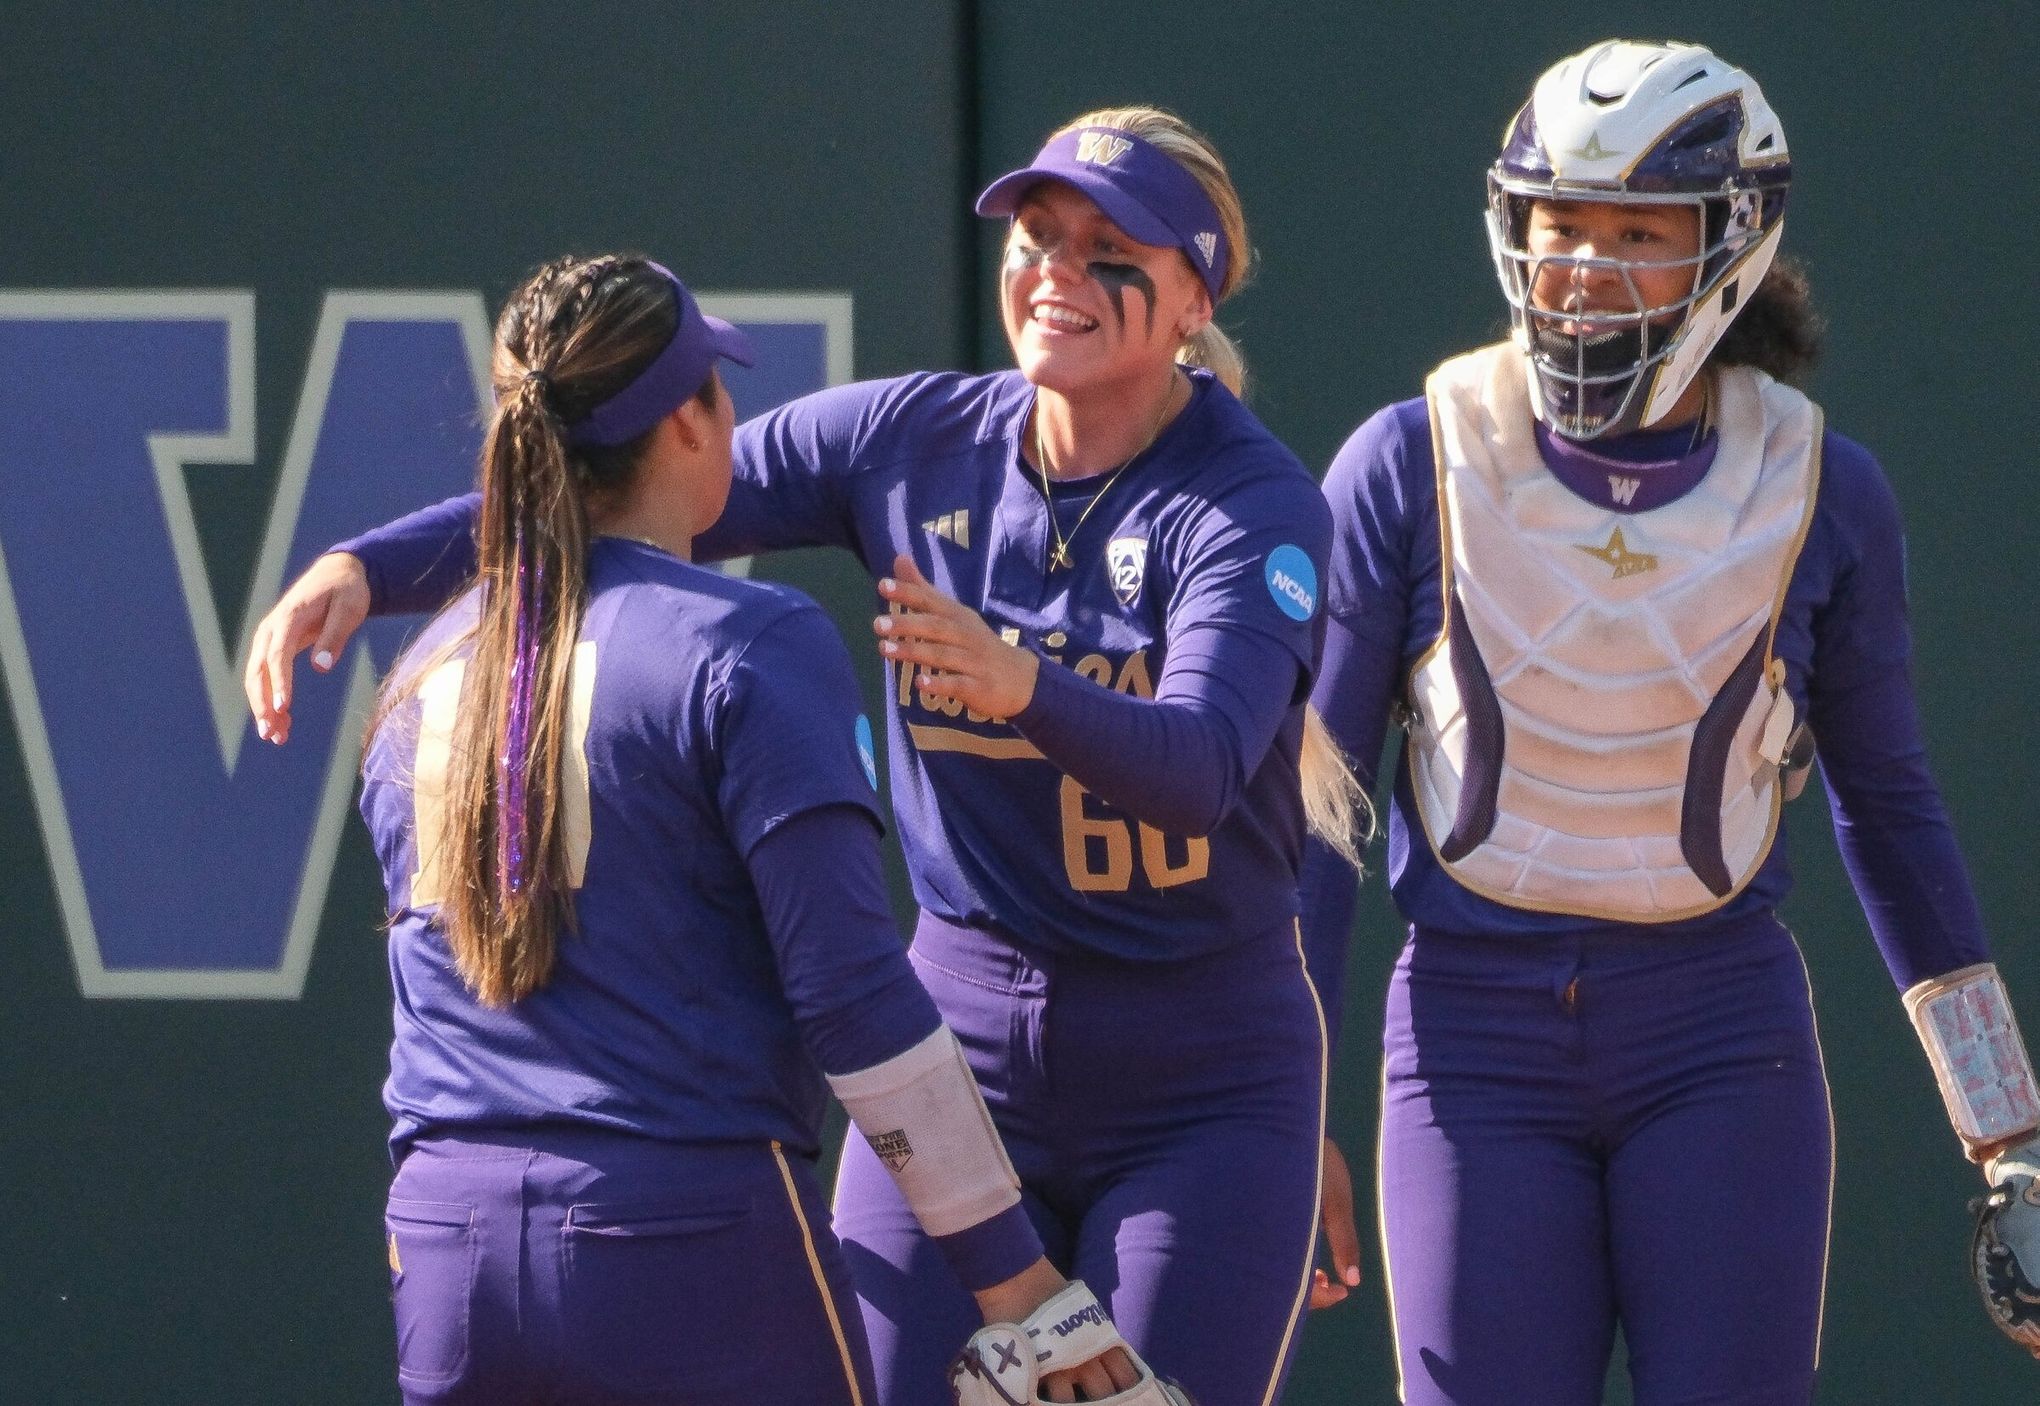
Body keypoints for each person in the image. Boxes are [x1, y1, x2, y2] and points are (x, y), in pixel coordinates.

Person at [244, 108, 1366, 1406]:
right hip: (969, 1042)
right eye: (1038, 235)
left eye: (1108, 247)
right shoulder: (914, 437)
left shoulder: (1248, 497)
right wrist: (362, 567)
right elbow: (583, 484)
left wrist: (1023, 685)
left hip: (1200, 1074)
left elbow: (1203, 766)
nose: (1054, 268)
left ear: (1194, 292)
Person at [1298, 39, 2040, 1406]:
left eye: (1636, 229)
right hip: (1470, 1035)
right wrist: (1284, 1113)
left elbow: (1889, 804)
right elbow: (1318, 813)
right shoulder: (1410, 456)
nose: (1581, 266)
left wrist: (2010, 1129)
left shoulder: (1825, 485)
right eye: (1557, 224)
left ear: (1736, 243)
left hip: (1719, 1034)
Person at [331, 252, 1154, 1405]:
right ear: (687, 421)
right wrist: (1014, 1278)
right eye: (719, 387)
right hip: (682, 1236)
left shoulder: (425, 661)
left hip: (444, 1240)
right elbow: (852, 995)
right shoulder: (749, 642)